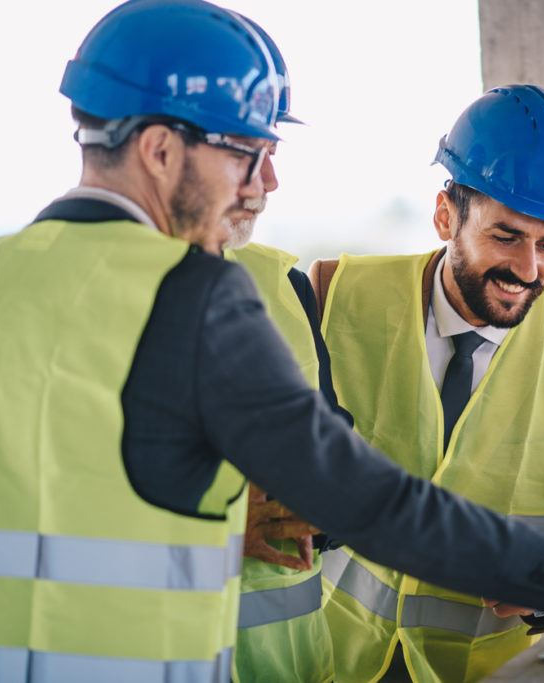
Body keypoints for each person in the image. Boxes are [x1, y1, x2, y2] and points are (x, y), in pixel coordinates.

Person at [0, 3, 544, 682]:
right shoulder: (195, 295)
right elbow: (369, 502)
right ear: (158, 149)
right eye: (248, 155)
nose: (265, 186)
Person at [309, 84, 544, 682]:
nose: (528, 271)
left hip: (484, 674)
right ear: (446, 214)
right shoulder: (329, 298)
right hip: (325, 661)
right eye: (506, 237)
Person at [219, 14, 343, 683]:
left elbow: (333, 448)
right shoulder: (69, 301)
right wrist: (210, 535)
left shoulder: (283, 283)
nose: (269, 183)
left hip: (298, 663)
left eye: (273, 153)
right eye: (247, 153)